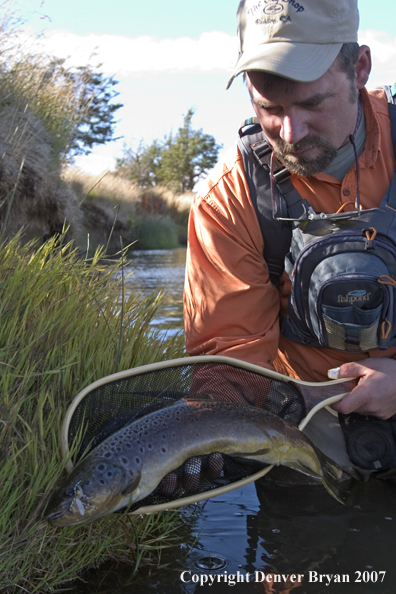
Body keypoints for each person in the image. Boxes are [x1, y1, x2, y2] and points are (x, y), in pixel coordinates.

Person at [183, 0, 396, 474]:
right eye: (269, 108)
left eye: (312, 103)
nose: (291, 132)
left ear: (359, 68)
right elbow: (230, 361)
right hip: (302, 438)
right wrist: (200, 428)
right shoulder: (228, 201)